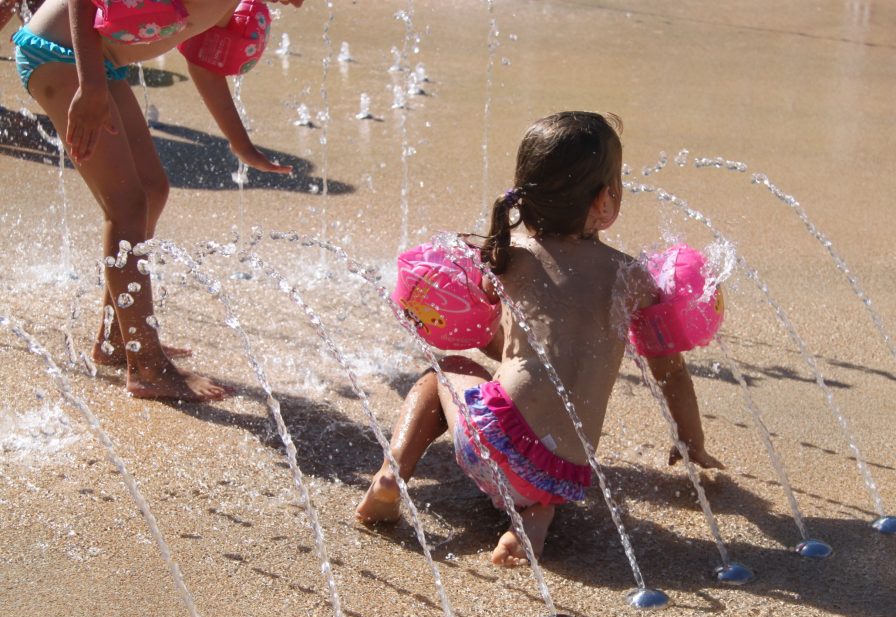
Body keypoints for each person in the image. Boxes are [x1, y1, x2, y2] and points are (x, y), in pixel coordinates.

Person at [357, 111, 722, 566]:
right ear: (605, 201)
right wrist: (691, 442)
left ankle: (392, 473)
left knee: (449, 370)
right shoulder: (634, 279)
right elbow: (671, 373)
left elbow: (502, 345)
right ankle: (533, 521)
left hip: (489, 445)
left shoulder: (511, 261)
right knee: (546, 466)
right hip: (566, 473)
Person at [9, 0, 303, 400]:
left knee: (152, 190)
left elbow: (205, 67)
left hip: (100, 63)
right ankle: (146, 364)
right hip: (61, 55)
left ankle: (117, 339)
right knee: (127, 206)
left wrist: (242, 145)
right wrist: (91, 87)